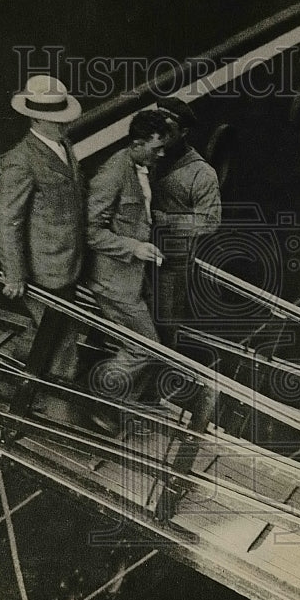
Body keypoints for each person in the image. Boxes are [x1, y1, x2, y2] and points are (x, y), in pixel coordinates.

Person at [0, 75, 86, 401]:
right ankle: (58, 409)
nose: (63, 124)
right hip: (44, 267)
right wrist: (14, 273)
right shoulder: (21, 159)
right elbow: (7, 219)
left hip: (67, 261)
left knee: (47, 329)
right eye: (55, 118)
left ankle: (7, 386)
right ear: (34, 117)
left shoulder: (64, 146)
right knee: (61, 338)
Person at [85, 109, 171, 405]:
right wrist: (133, 247)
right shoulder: (111, 175)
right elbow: (90, 231)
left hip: (131, 277)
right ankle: (100, 402)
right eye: (157, 147)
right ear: (136, 144)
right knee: (145, 348)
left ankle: (123, 405)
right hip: (113, 282)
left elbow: (138, 215)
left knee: (151, 343)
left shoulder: (140, 166)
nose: (161, 154)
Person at [150, 97, 222, 348]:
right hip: (138, 248)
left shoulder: (201, 174)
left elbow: (209, 221)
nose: (159, 134)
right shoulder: (148, 151)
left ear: (184, 132)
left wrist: (166, 221)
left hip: (171, 259)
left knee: (165, 322)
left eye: (167, 129)